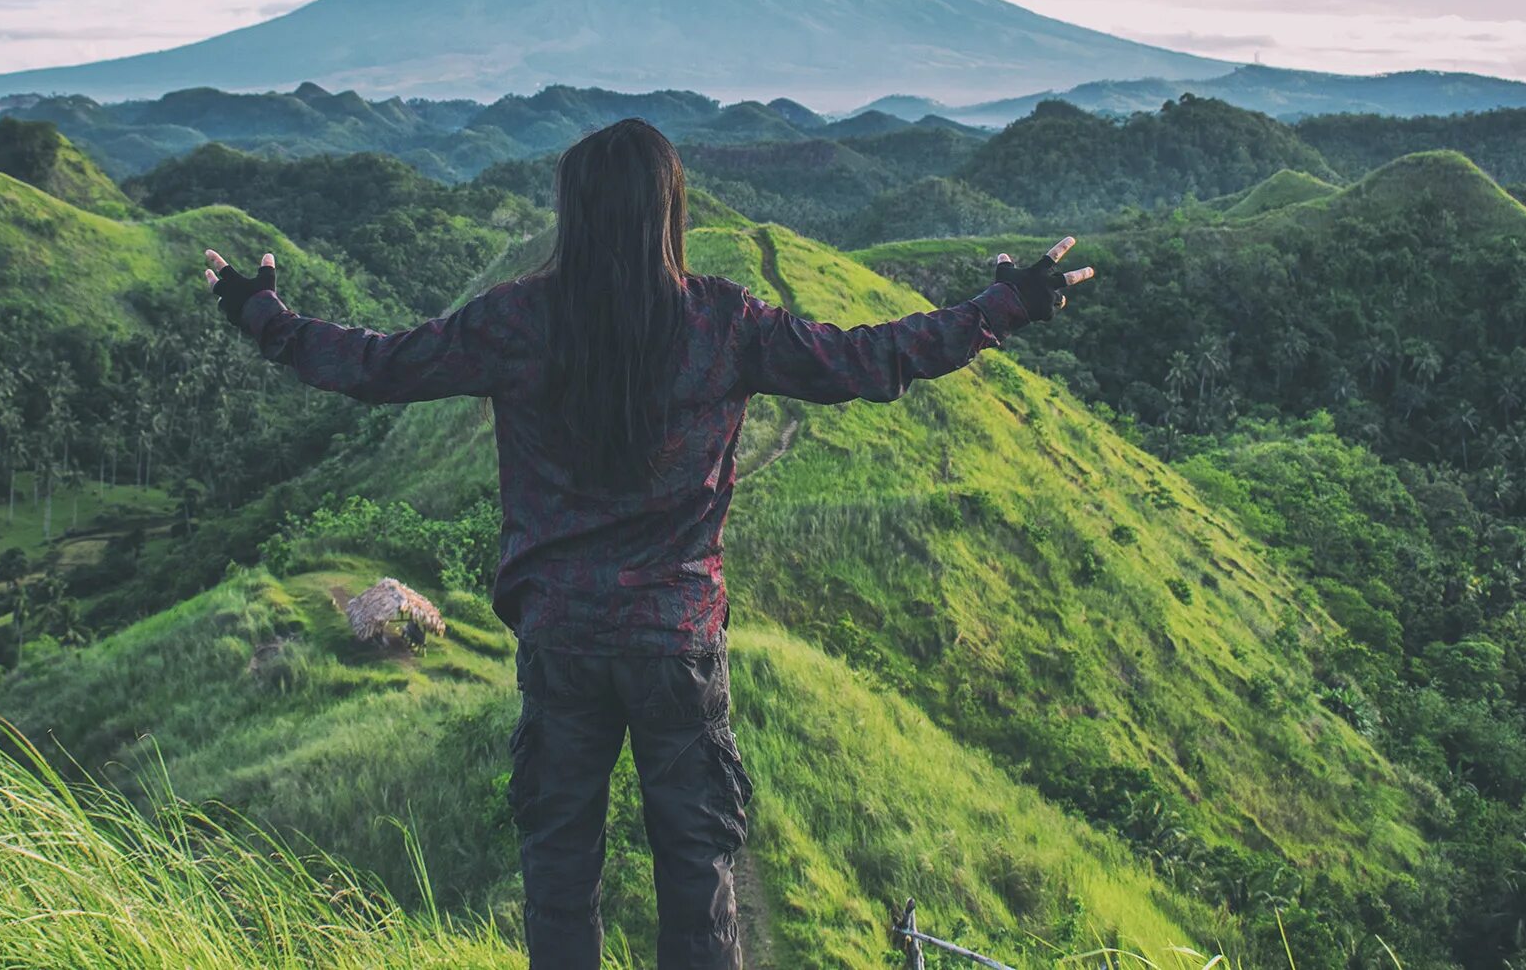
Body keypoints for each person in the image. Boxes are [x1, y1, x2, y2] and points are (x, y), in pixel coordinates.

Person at [198, 118, 1089, 970]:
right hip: (676, 641)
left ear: (573, 213)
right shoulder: (723, 322)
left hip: (563, 640)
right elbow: (868, 358)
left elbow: (375, 367)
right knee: (698, 881)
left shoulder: (518, 321)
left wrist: (260, 313)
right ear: (672, 212)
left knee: (559, 882)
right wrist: (1003, 305)